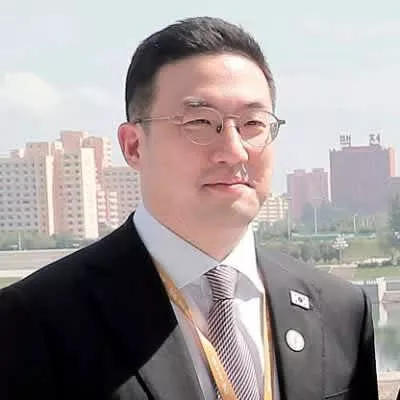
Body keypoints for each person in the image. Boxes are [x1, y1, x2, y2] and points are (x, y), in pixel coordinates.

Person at [0, 16, 378, 400]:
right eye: (200, 122)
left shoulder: (339, 311)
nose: (234, 150)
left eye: (252, 123)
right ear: (133, 146)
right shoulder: (37, 320)